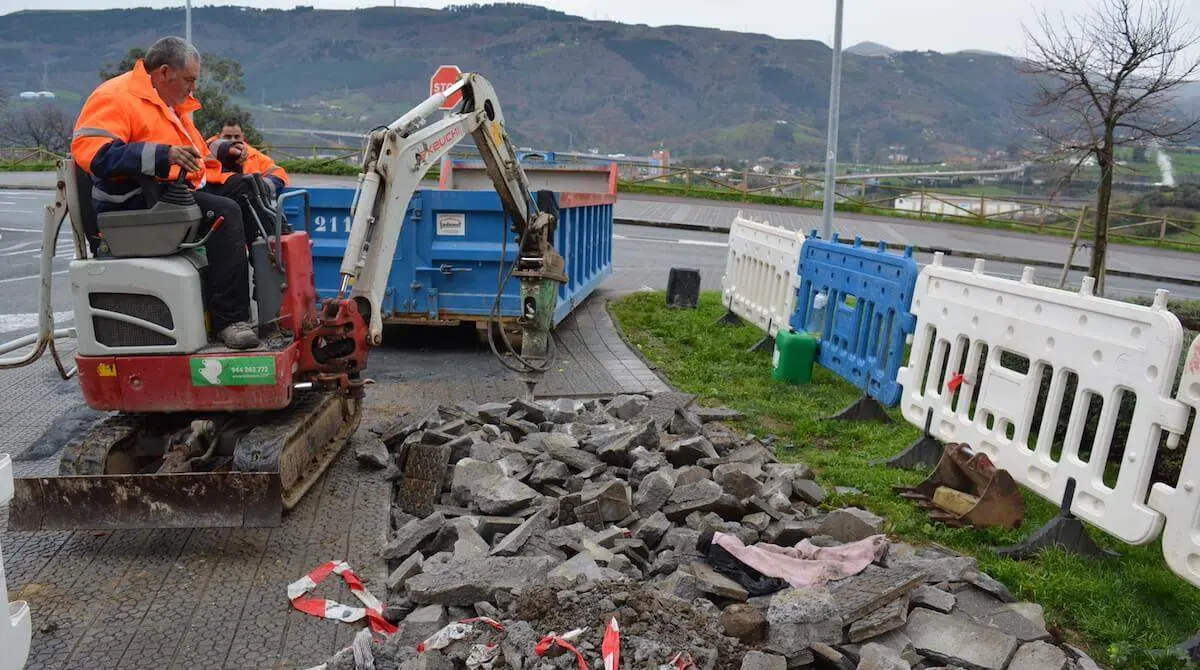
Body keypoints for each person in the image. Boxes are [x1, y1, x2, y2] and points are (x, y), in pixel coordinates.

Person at [71, 36, 259, 350]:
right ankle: (230, 319)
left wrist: (223, 152)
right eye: (189, 80)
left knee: (247, 188)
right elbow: (96, 155)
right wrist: (162, 155)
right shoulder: (115, 97)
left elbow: (194, 154)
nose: (192, 89)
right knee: (224, 213)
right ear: (164, 72)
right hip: (133, 202)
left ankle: (268, 296)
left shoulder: (166, 103)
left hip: (165, 192)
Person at [207, 119, 290, 196]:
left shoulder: (254, 155)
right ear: (218, 136)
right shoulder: (207, 153)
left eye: (237, 137)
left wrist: (262, 187)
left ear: (243, 137)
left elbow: (279, 172)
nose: (232, 140)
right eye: (227, 137)